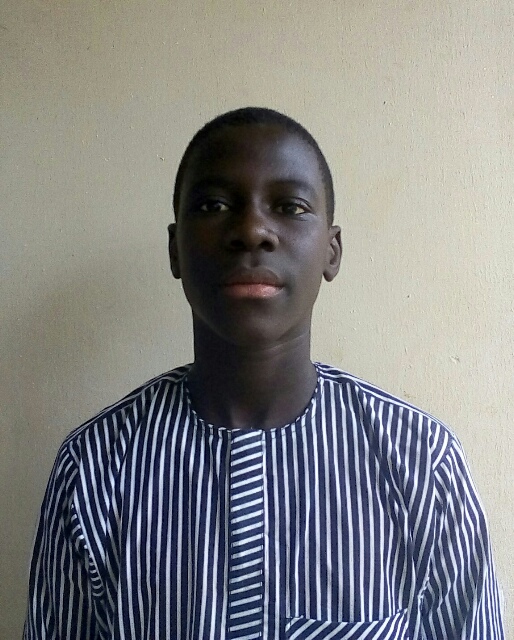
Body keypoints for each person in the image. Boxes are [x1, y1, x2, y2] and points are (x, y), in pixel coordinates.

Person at [24, 107, 504, 639]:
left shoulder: (422, 465)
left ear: (331, 250)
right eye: (214, 205)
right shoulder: (95, 469)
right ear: (175, 249)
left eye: (290, 206)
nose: (252, 230)